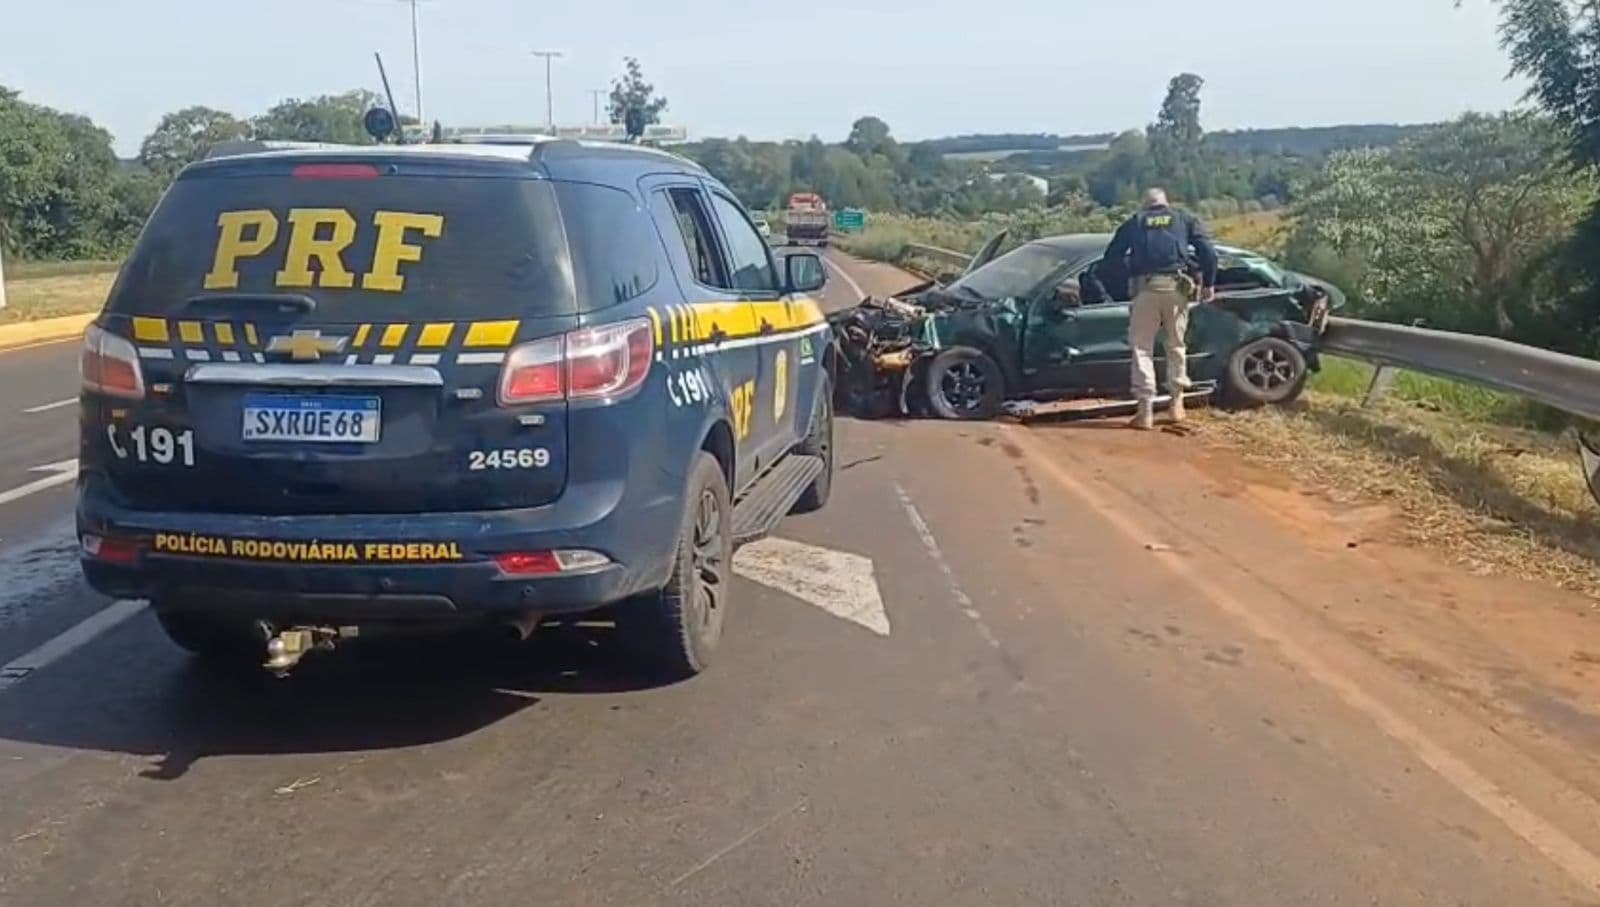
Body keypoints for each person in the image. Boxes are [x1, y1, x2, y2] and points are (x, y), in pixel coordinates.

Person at [1101, 188, 1218, 429]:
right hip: (1177, 289)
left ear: (1145, 205)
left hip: (1145, 290)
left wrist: (1128, 276)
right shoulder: (1183, 218)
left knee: (1142, 348)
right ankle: (1177, 404)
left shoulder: (1135, 222)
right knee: (1176, 345)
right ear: (1166, 203)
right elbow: (1209, 253)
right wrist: (1209, 283)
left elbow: (1111, 258)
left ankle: (1145, 411)